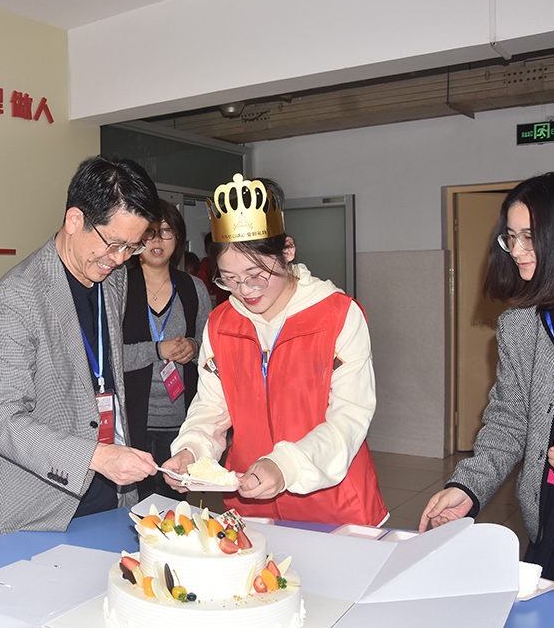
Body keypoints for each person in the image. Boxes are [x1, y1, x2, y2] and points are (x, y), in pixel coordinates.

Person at [420, 172, 554, 614]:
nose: (518, 250)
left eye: (530, 237)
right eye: (511, 237)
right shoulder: (519, 325)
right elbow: (507, 422)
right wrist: (468, 488)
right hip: (552, 507)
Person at [162, 174, 387, 526]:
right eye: (229, 278)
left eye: (256, 275)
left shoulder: (337, 314)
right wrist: (192, 450)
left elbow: (349, 416)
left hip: (334, 503)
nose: (245, 290)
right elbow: (212, 407)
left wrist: (286, 466)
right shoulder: (222, 323)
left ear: (288, 251)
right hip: (251, 502)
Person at [0, 155, 162, 537]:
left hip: (111, 497)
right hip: (37, 509)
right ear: (75, 220)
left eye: (132, 247)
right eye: (114, 244)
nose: (119, 259)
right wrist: (94, 456)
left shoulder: (112, 278)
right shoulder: (16, 297)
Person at [122, 200, 211, 500]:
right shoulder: (118, 287)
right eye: (148, 232)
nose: (157, 240)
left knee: (175, 506)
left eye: (166, 231)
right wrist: (158, 349)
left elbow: (212, 352)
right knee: (132, 506)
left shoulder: (194, 288)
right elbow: (110, 358)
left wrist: (194, 347)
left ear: (178, 238)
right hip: (133, 421)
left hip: (182, 423)